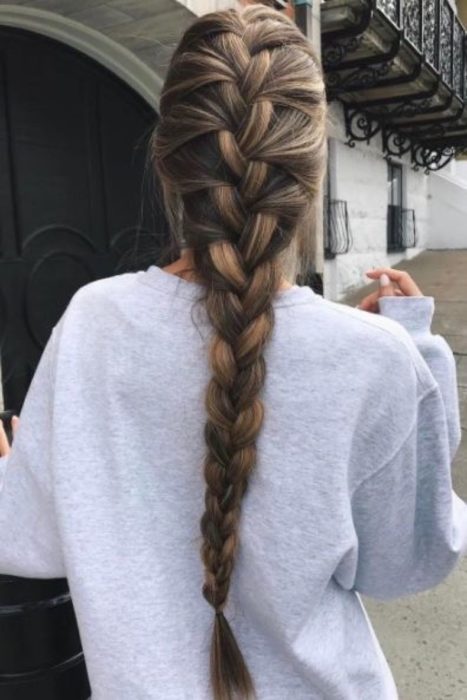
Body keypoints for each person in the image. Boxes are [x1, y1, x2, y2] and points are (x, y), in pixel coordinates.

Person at [0, 4, 466, 700]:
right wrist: (415, 354)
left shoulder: (92, 325)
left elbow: (28, 541)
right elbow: (407, 564)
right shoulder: (372, 359)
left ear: (167, 163)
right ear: (311, 176)